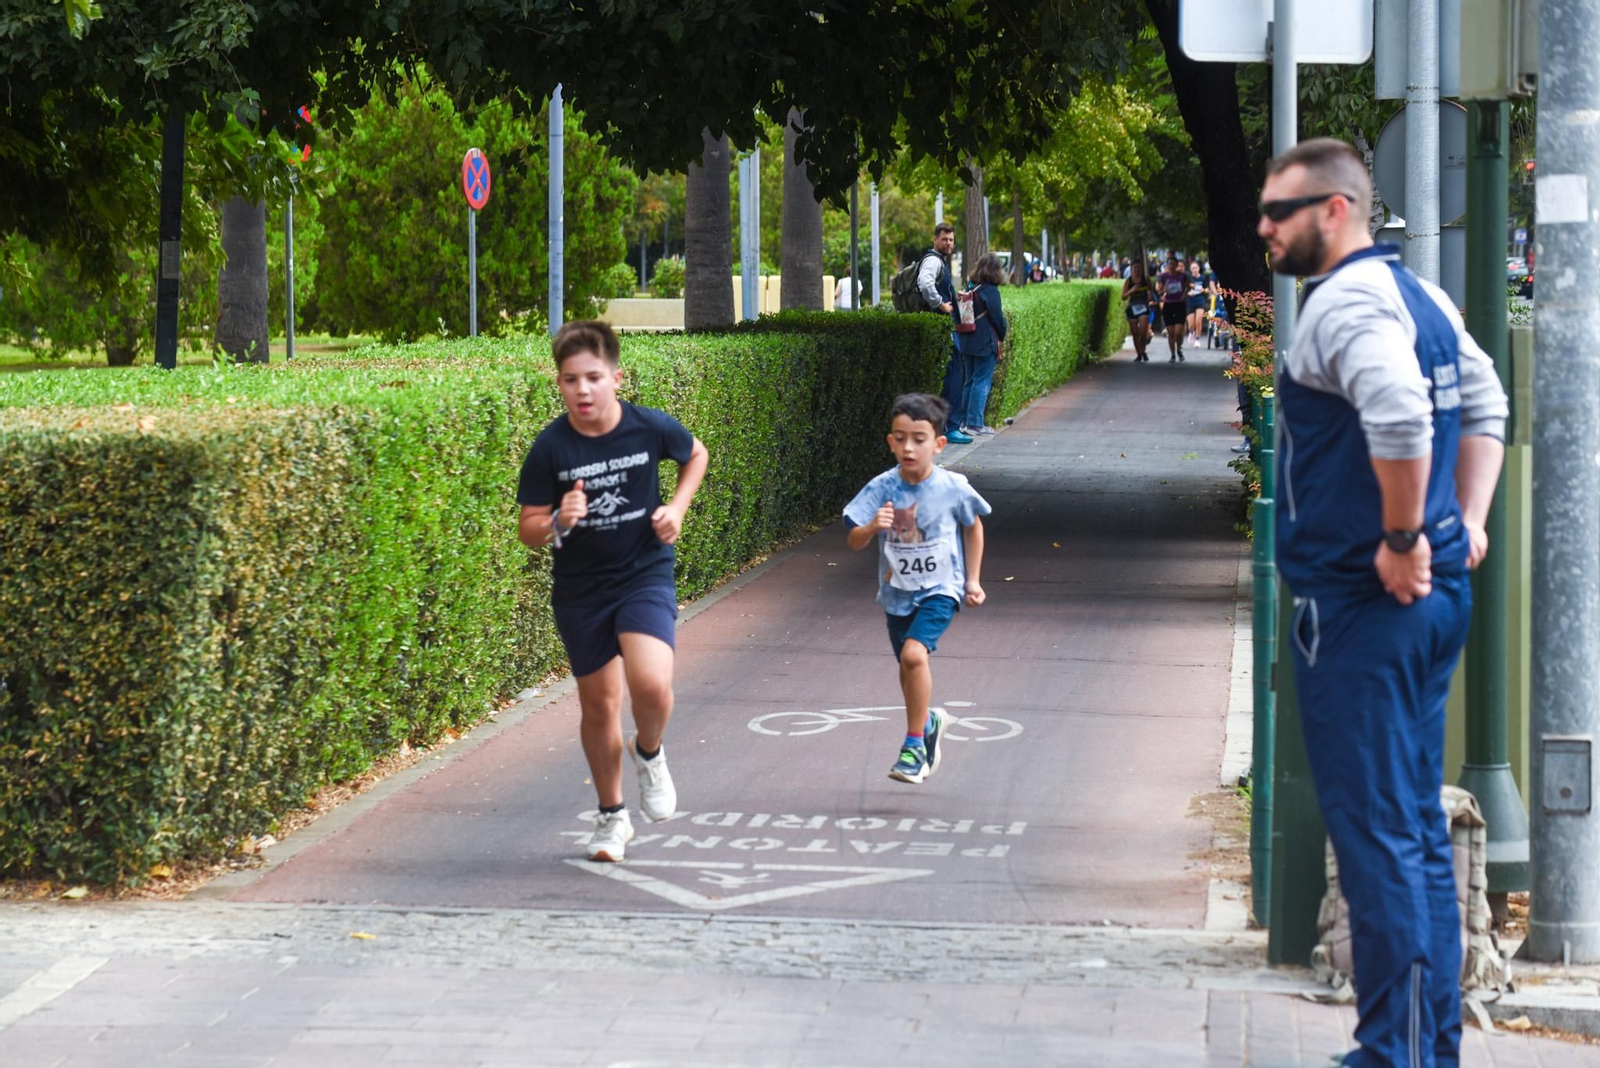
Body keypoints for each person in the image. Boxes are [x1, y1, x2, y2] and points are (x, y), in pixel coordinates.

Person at [1260, 137, 1508, 1068]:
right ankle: (1419, 1047)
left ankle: (1397, 1054)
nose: (1263, 228)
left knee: (1381, 839)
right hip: (1428, 600)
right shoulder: (1421, 297)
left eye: (1278, 211)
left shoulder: (1348, 304)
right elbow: (1485, 404)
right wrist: (1464, 524)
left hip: (1365, 607)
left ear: (1335, 210)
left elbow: (1403, 415)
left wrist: (1406, 538)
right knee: (1409, 832)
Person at [516, 320, 712, 863]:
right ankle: (611, 817)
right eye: (570, 379)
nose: (582, 389)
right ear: (558, 383)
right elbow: (529, 530)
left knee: (652, 683)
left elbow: (696, 454)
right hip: (581, 590)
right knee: (600, 706)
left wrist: (676, 508)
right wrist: (558, 518)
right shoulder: (551, 448)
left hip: (643, 573)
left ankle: (649, 751)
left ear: (616, 378)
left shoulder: (647, 428)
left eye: (593, 378)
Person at [843, 393, 990, 784]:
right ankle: (929, 721)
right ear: (890, 442)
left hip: (941, 589)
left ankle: (913, 746)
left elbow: (973, 525)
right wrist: (873, 526)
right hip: (896, 594)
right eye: (901, 438)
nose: (909, 447)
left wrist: (972, 580)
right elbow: (854, 540)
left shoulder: (953, 486)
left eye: (919, 438)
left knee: (912, 656)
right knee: (909, 668)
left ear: (939, 444)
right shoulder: (881, 487)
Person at [916, 223, 972, 445]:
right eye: (944, 239)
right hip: (942, 328)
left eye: (951, 239)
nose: (949, 243)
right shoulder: (933, 261)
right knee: (953, 376)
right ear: (934, 240)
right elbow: (924, 283)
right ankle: (951, 427)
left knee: (951, 375)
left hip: (942, 328)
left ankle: (946, 426)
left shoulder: (939, 262)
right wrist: (941, 305)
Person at [956, 252, 1008, 436]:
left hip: (967, 340)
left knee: (969, 381)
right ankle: (975, 423)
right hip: (984, 342)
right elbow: (997, 318)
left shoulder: (972, 287)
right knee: (981, 382)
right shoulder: (990, 291)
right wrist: (1003, 333)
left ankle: (964, 422)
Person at [1156, 254, 1190, 362]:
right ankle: (1173, 354)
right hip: (1169, 305)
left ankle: (1179, 348)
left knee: (1178, 332)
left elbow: (1188, 286)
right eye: (1170, 264)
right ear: (1167, 265)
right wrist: (1163, 292)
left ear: (1177, 265)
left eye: (1174, 264)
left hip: (1179, 304)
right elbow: (1159, 291)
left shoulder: (1182, 276)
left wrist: (1185, 293)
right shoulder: (1163, 277)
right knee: (1171, 332)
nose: (1172, 266)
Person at [1121, 259, 1156, 362]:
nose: (1137, 270)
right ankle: (1140, 354)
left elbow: (1150, 290)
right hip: (1132, 307)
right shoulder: (1129, 281)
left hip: (1143, 306)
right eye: (1135, 268)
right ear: (1132, 269)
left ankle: (1143, 350)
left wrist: (1149, 296)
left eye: (1139, 268)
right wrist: (1132, 290)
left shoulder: (1146, 279)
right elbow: (1123, 296)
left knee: (1143, 332)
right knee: (1135, 332)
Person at [1185, 259, 1211, 343]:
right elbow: (1184, 289)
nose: (1194, 270)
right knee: (1191, 324)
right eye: (1193, 268)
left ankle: (1197, 339)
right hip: (1190, 300)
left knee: (1198, 320)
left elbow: (1207, 289)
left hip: (1200, 300)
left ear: (1199, 268)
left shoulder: (1203, 278)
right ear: (1190, 269)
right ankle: (1191, 331)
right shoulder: (1188, 278)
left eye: (1196, 268)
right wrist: (1188, 293)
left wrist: (1203, 290)